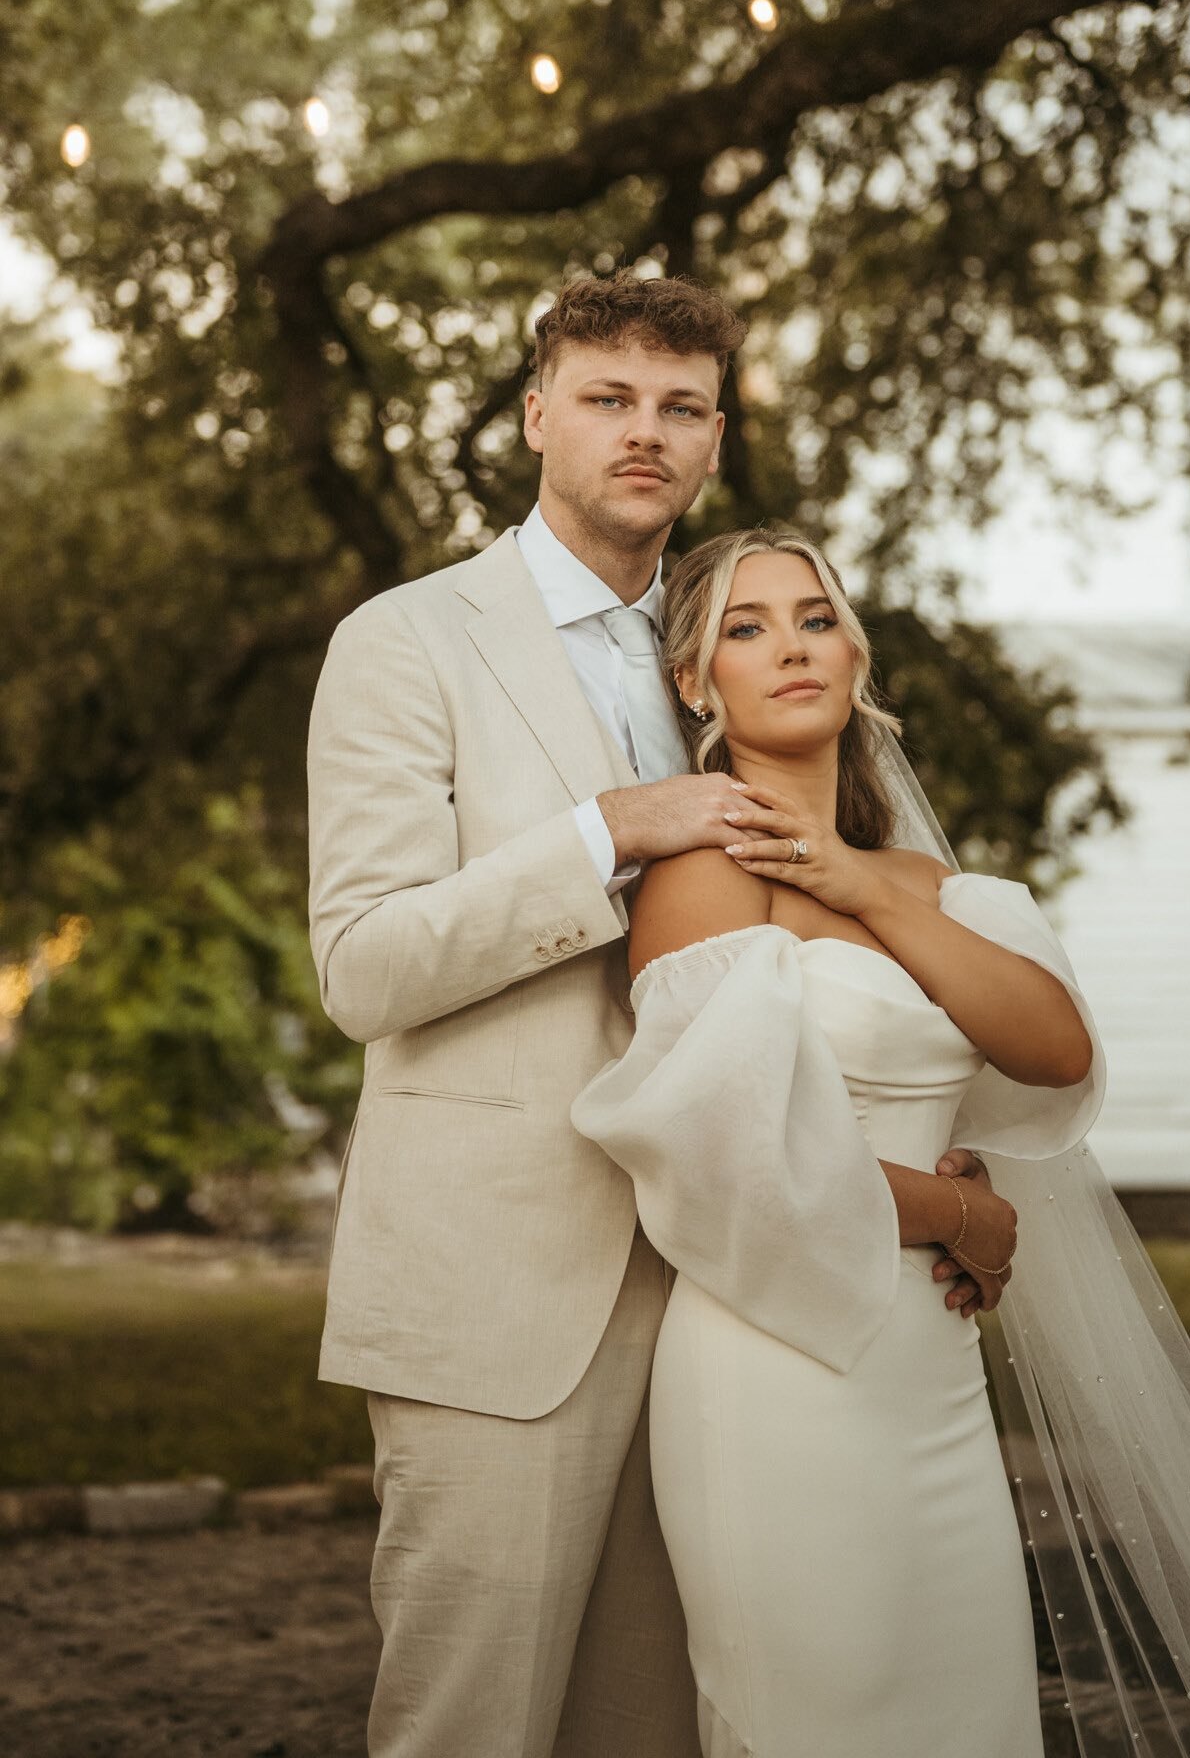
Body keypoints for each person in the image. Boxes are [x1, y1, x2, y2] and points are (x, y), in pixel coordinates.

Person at [304, 272, 999, 1758]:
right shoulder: (407, 641)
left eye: (680, 408)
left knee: (664, 1731)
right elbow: (363, 967)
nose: (645, 433)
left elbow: (828, 946)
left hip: (727, 1310)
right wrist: (605, 829)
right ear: (538, 414)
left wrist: (926, 1164)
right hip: (506, 1296)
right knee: (471, 1732)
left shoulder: (732, 644)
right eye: (609, 398)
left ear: (714, 438)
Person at [571, 525, 1190, 1758]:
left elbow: (1054, 1049)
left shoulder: (923, 886)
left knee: (962, 1708)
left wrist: (858, 879)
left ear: (855, 652)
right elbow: (728, 1155)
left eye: (812, 616)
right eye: (743, 628)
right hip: (780, 1360)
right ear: (695, 683)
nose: (789, 646)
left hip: (928, 1377)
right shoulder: (704, 876)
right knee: (820, 1710)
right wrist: (959, 1213)